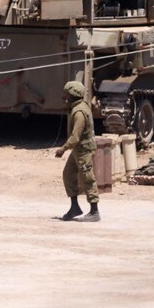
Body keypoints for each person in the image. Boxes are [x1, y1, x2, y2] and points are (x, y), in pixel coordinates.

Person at [55, 80, 100, 222]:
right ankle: (75, 207)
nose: (64, 97)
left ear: (73, 95)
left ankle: (94, 211)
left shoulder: (79, 112)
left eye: (66, 94)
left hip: (84, 150)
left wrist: (62, 149)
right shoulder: (76, 108)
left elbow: (75, 137)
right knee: (68, 174)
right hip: (78, 150)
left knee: (87, 179)